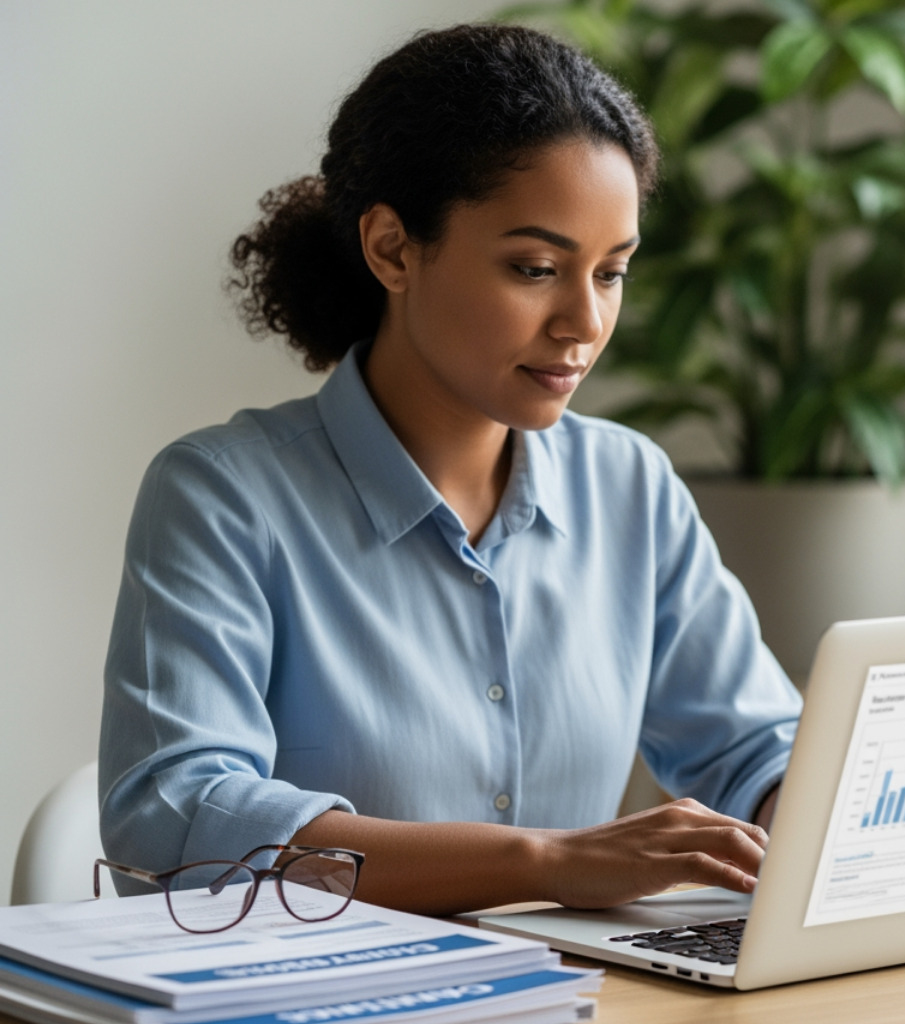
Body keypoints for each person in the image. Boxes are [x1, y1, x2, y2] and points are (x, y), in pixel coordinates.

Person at [98, 23, 802, 917]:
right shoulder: (224, 496)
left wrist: (809, 814)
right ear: (393, 248)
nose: (583, 322)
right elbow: (176, 818)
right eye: (536, 267)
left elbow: (754, 749)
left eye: (613, 272)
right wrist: (543, 861)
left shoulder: (631, 486)